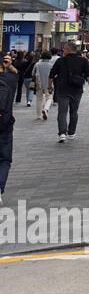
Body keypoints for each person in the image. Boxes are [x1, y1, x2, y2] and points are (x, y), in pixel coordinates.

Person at [49, 41, 89, 143]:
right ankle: (71, 132)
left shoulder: (60, 61)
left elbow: (51, 75)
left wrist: (49, 86)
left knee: (62, 112)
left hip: (62, 90)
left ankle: (62, 133)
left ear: (68, 49)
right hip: (77, 90)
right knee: (74, 111)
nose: (63, 50)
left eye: (64, 49)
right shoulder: (83, 61)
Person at [0, 55, 18, 204]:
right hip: (5, 124)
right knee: (4, 159)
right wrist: (8, 66)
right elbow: (16, 73)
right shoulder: (11, 79)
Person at [32, 51, 53, 121]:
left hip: (39, 84)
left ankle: (38, 115)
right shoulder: (51, 65)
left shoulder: (37, 64)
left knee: (39, 99)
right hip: (49, 84)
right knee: (49, 97)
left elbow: (33, 73)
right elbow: (54, 75)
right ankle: (46, 109)